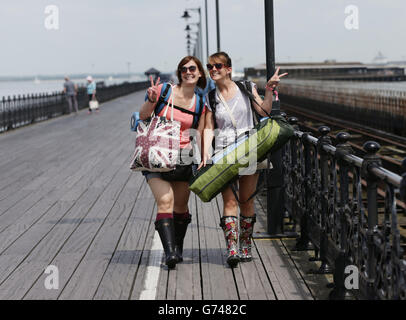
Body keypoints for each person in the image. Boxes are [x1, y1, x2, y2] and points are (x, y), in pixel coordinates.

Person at [199, 51, 287, 268]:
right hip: (223, 154)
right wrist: (205, 152)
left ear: (228, 69)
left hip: (248, 150)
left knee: (246, 200)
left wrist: (269, 90)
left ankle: (245, 243)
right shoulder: (210, 97)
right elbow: (209, 127)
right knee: (229, 201)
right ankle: (232, 248)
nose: (213, 70)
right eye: (210, 67)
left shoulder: (245, 88)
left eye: (218, 66)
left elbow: (264, 112)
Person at [139, 56, 207, 269]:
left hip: (184, 157)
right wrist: (151, 100)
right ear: (179, 73)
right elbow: (143, 117)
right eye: (184, 69)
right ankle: (169, 254)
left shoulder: (200, 102)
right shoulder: (163, 91)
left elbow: (203, 131)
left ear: (200, 73)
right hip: (157, 155)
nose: (188, 72)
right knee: (165, 201)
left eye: (192, 68)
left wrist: (205, 156)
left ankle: (177, 247)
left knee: (180, 207)